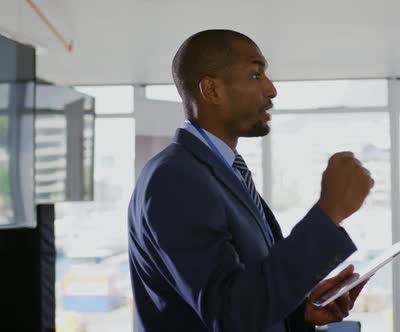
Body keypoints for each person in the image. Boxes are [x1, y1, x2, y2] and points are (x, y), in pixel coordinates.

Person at [128, 29, 375, 332]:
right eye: (256, 75)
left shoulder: (221, 171)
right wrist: (328, 213)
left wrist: (300, 312)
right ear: (212, 90)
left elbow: (245, 296)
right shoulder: (175, 178)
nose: (271, 90)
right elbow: (230, 315)